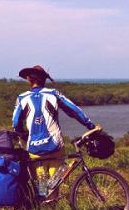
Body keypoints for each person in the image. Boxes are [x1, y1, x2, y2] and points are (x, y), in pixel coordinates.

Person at [12, 65, 97, 197]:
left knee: (42, 187)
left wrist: (22, 134)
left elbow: (16, 123)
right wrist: (90, 126)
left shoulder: (22, 98)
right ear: (44, 79)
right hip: (55, 146)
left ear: (29, 79)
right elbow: (73, 110)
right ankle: (52, 208)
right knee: (54, 185)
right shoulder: (53, 94)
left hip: (35, 150)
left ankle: (44, 207)